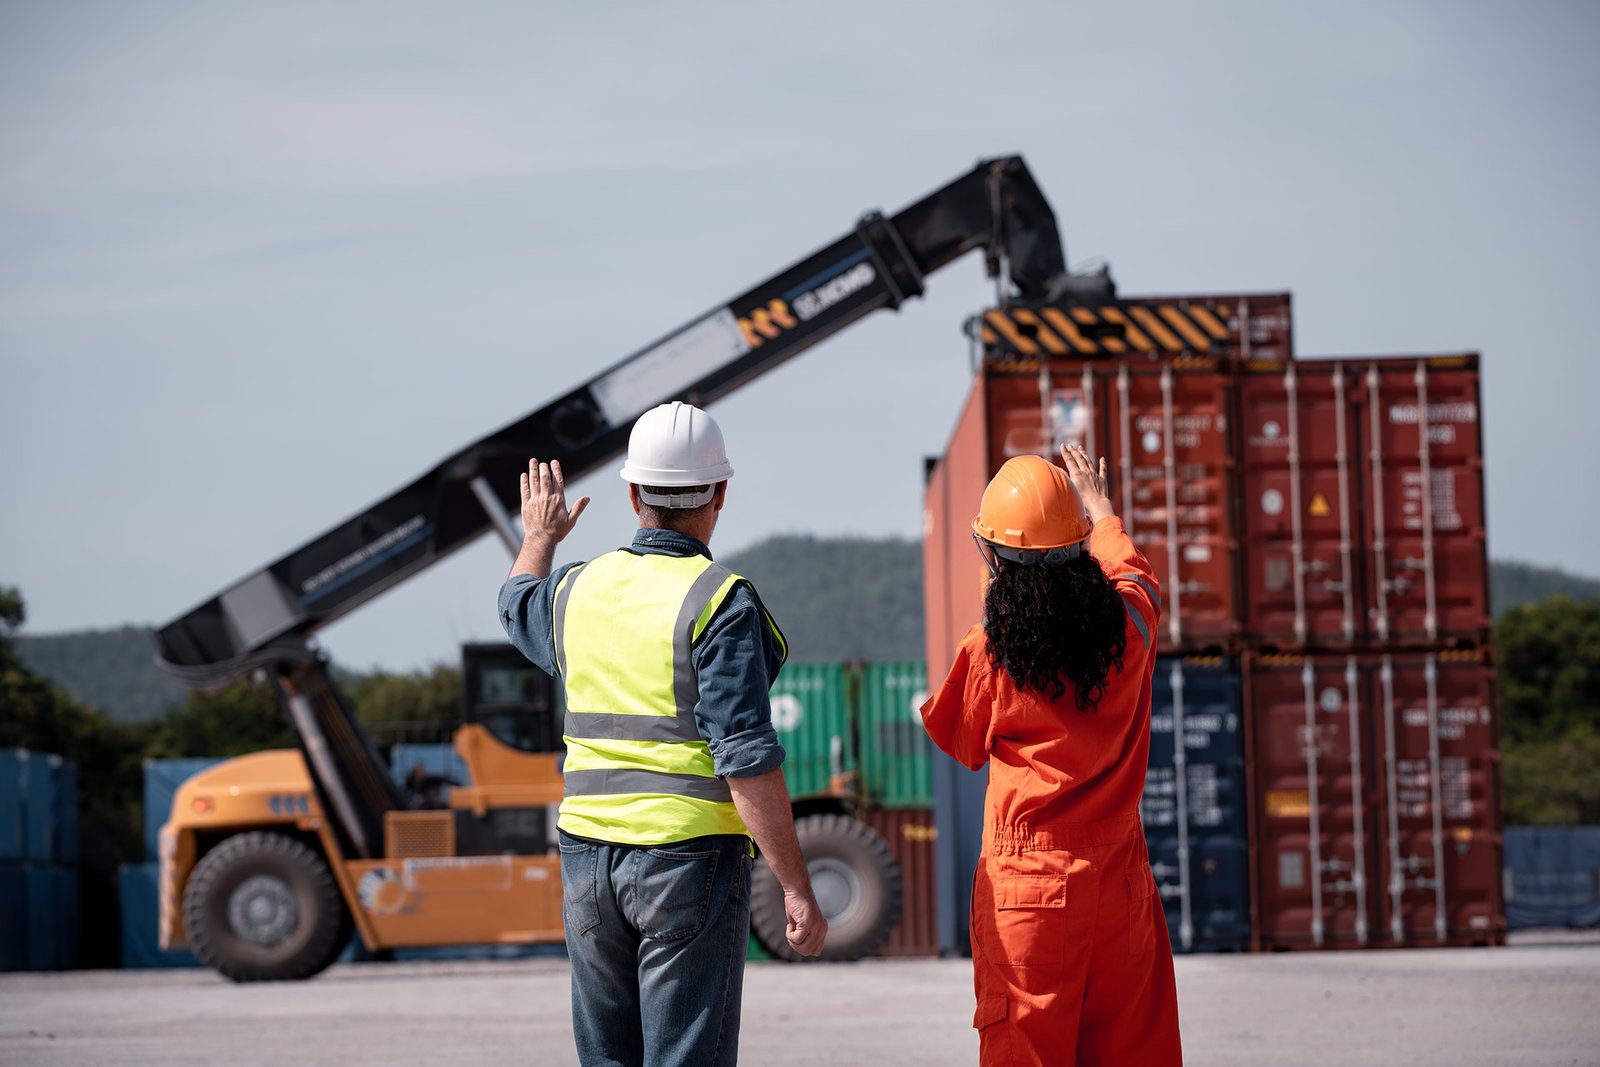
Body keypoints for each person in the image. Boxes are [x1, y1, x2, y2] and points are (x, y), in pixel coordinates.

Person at [498, 400, 826, 1067]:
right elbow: (746, 758)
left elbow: (514, 603)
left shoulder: (574, 591)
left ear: (632, 495)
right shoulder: (720, 601)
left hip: (587, 858)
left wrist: (539, 535)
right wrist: (795, 885)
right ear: (720, 493)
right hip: (686, 859)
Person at [920, 443, 1182, 1067]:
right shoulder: (1131, 626)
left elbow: (960, 742)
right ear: (1078, 546)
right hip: (1120, 884)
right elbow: (1133, 574)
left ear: (993, 557)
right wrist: (1101, 509)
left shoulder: (989, 652)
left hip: (1029, 893)